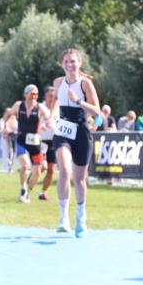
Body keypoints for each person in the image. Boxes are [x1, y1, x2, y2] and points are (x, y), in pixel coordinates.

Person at [49, 48, 101, 237]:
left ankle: (81, 218)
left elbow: (97, 111)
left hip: (81, 131)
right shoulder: (58, 82)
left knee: (79, 179)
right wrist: (52, 117)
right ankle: (63, 218)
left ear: (79, 63)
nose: (70, 65)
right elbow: (56, 102)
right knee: (64, 170)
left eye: (73, 61)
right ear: (62, 64)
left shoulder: (85, 83)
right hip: (63, 129)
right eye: (66, 62)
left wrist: (78, 100)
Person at [12, 84, 54, 203]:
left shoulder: (40, 107)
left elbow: (49, 118)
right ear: (25, 94)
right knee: (25, 166)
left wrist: (47, 124)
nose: (34, 97)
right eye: (31, 94)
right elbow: (10, 115)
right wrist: (10, 124)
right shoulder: (18, 105)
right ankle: (23, 188)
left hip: (35, 142)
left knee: (37, 171)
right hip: (21, 140)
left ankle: (28, 193)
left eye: (36, 94)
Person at [37, 86, 59, 201]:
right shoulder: (41, 107)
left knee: (51, 170)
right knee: (43, 166)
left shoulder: (58, 108)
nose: (52, 98)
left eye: (54, 96)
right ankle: (30, 181)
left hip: (54, 141)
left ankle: (43, 192)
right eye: (50, 96)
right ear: (45, 96)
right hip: (42, 141)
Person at [0, 107, 17, 173]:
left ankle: (10, 168)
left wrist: (10, 130)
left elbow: (16, 127)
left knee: (12, 153)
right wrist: (8, 130)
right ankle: (5, 168)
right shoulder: (2, 120)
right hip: (5, 139)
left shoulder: (13, 119)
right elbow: (2, 129)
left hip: (12, 138)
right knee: (5, 153)